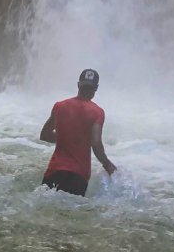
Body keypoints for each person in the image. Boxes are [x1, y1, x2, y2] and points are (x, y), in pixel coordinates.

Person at [39, 68, 117, 196]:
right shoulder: (97, 112)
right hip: (78, 174)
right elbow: (96, 142)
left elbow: (45, 135)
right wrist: (107, 164)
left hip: (54, 171)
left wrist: (66, 137)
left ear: (78, 85)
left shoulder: (60, 106)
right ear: (96, 88)